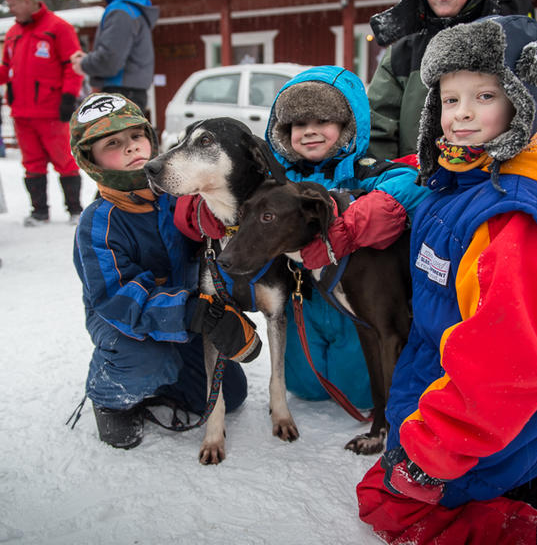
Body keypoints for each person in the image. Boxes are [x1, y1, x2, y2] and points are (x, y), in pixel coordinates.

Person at [356, 15, 537, 544]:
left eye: (483, 96)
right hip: (453, 406)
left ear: (521, 101)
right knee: (385, 482)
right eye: (449, 99)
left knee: (386, 505)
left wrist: (432, 454)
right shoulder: (462, 184)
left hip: (493, 429)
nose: (461, 114)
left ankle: (523, 510)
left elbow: (503, 367)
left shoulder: (510, 221)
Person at [176, 66, 429, 412]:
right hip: (302, 299)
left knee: (358, 393)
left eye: (323, 120)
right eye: (297, 124)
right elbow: (218, 189)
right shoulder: (275, 179)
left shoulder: (366, 171)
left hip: (351, 299)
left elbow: (412, 181)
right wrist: (202, 214)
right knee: (304, 387)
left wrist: (354, 222)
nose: (309, 131)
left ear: (346, 125)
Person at [70, 92, 248, 449]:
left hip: (182, 318)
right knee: (148, 361)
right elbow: (116, 297)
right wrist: (192, 312)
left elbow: (213, 245)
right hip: (121, 322)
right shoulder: (98, 222)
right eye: (113, 143)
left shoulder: (179, 196)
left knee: (233, 393)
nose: (131, 147)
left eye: (136, 136)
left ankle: (162, 377)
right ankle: (109, 396)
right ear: (91, 161)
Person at [366, 0, 509, 160]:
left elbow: (531, 124)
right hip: (414, 186)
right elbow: (377, 132)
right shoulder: (402, 54)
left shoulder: (506, 45)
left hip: (489, 182)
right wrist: (395, 179)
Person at [0, 0, 84, 226]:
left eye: (12, 3)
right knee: (31, 164)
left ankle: (74, 209)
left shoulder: (58, 28)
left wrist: (69, 97)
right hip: (22, 114)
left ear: (27, 0)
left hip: (51, 112)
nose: (10, 9)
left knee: (64, 161)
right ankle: (39, 211)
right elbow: (6, 69)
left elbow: (73, 66)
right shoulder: (12, 33)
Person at [70, 0, 158, 115]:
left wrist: (83, 64)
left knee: (116, 141)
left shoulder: (121, 11)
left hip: (120, 95)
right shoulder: (129, 7)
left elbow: (110, 60)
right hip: (127, 93)